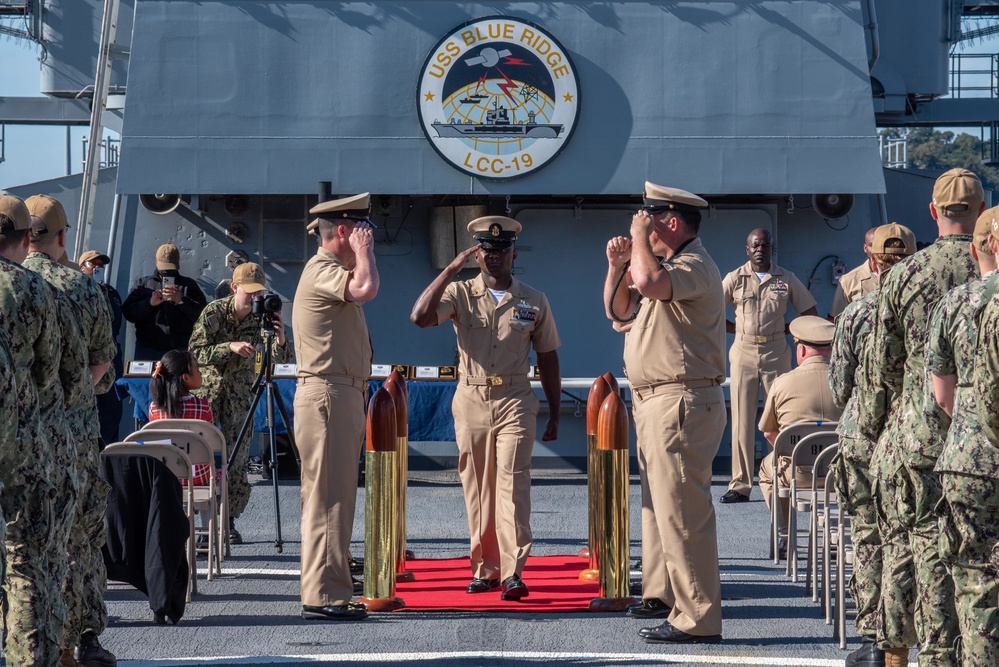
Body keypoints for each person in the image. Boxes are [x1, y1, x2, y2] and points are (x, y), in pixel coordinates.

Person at [858, 167, 985, 667]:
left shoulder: (906, 274)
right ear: (981, 212)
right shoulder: (988, 273)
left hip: (916, 434)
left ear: (932, 213)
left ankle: (898, 655)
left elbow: (881, 368)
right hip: (981, 436)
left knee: (908, 550)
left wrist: (875, 430)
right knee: (978, 560)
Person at [410, 216, 562, 599]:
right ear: (477, 255)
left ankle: (514, 572)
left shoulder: (534, 300)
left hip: (515, 399)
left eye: (501, 251)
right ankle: (485, 569)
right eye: (486, 252)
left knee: (513, 484)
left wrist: (555, 412)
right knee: (478, 487)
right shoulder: (460, 294)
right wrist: (448, 270)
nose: (494, 258)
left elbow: (547, 357)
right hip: (473, 398)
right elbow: (420, 317)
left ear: (513, 254)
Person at [603, 182, 726, 644]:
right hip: (658, 400)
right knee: (660, 510)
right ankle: (663, 594)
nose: (642, 226)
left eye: (649, 219)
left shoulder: (693, 265)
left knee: (683, 515)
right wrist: (617, 265)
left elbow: (651, 284)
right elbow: (618, 307)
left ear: (670, 223)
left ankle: (697, 618)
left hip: (681, 401)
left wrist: (637, 240)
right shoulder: (669, 265)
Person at [24, 194, 118, 667]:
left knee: (27, 540)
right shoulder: (83, 289)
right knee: (81, 536)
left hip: (21, 435)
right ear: (62, 236)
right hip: (75, 433)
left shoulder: (13, 284)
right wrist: (73, 394)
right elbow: (103, 362)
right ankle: (84, 639)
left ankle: (28, 640)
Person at [830, 222, 916, 667]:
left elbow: (839, 387)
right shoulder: (932, 308)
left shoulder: (856, 314)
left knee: (869, 539)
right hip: (916, 444)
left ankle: (873, 641)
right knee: (914, 541)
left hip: (864, 440)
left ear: (873, 261)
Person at [292, 193, 378, 621]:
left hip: (335, 393)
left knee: (329, 496)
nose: (368, 236)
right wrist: (364, 253)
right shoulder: (326, 269)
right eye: (361, 229)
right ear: (343, 231)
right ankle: (324, 596)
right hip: (329, 394)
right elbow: (366, 288)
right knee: (330, 499)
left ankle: (327, 582)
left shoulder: (327, 270)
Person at [930, 206, 999, 667]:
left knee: (975, 583)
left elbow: (942, 395)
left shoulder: (955, 303)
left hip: (969, 460)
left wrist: (974, 432)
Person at [0, 194, 64, 666]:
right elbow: (49, 374)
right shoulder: (36, 290)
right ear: (26, 239)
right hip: (23, 447)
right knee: (25, 560)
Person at [188, 262, 290, 544]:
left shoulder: (263, 319)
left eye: (259, 292)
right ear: (235, 289)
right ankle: (205, 522)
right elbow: (195, 351)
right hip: (209, 393)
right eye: (250, 292)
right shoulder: (215, 312)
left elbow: (282, 361)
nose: (255, 298)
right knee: (204, 457)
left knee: (237, 459)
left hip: (240, 395)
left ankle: (228, 520)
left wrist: (280, 339)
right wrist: (229, 346)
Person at [720, 228, 817, 504]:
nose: (760, 249)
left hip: (776, 351)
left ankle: (788, 476)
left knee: (784, 416)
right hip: (744, 352)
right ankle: (740, 484)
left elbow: (809, 311)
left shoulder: (785, 279)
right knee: (741, 418)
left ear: (771, 248)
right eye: (755, 245)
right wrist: (736, 330)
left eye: (765, 244)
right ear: (747, 250)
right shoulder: (735, 279)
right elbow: (711, 311)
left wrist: (787, 330)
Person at [756, 316, 841, 542]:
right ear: (832, 351)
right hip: (839, 472)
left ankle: (784, 534)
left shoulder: (782, 383)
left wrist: (796, 452)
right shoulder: (848, 383)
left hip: (798, 474)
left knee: (768, 470)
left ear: (801, 350)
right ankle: (836, 535)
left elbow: (769, 433)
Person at [122, 242, 207, 362]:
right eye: (164, 267)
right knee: (147, 381)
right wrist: (150, 303)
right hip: (148, 349)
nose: (167, 271)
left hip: (180, 349)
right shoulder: (143, 284)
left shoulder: (189, 285)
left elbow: (203, 316)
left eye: (170, 268)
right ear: (156, 262)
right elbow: (129, 313)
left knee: (179, 381)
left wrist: (181, 300)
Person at [149, 349, 216, 486]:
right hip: (198, 477)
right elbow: (210, 444)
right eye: (197, 370)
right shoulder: (203, 407)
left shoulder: (154, 408)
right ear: (186, 377)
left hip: (166, 477)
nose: (201, 374)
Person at [80, 249, 125, 444]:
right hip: (89, 358)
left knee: (111, 409)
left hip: (111, 357)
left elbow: (116, 324)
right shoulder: (78, 290)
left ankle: (109, 454)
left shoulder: (111, 292)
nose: (98, 268)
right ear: (82, 267)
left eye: (101, 265)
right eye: (93, 264)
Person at [828, 227, 879, 319]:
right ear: (865, 248)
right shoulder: (848, 281)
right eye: (872, 245)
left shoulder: (903, 275)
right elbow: (836, 320)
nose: (877, 250)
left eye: (881, 245)